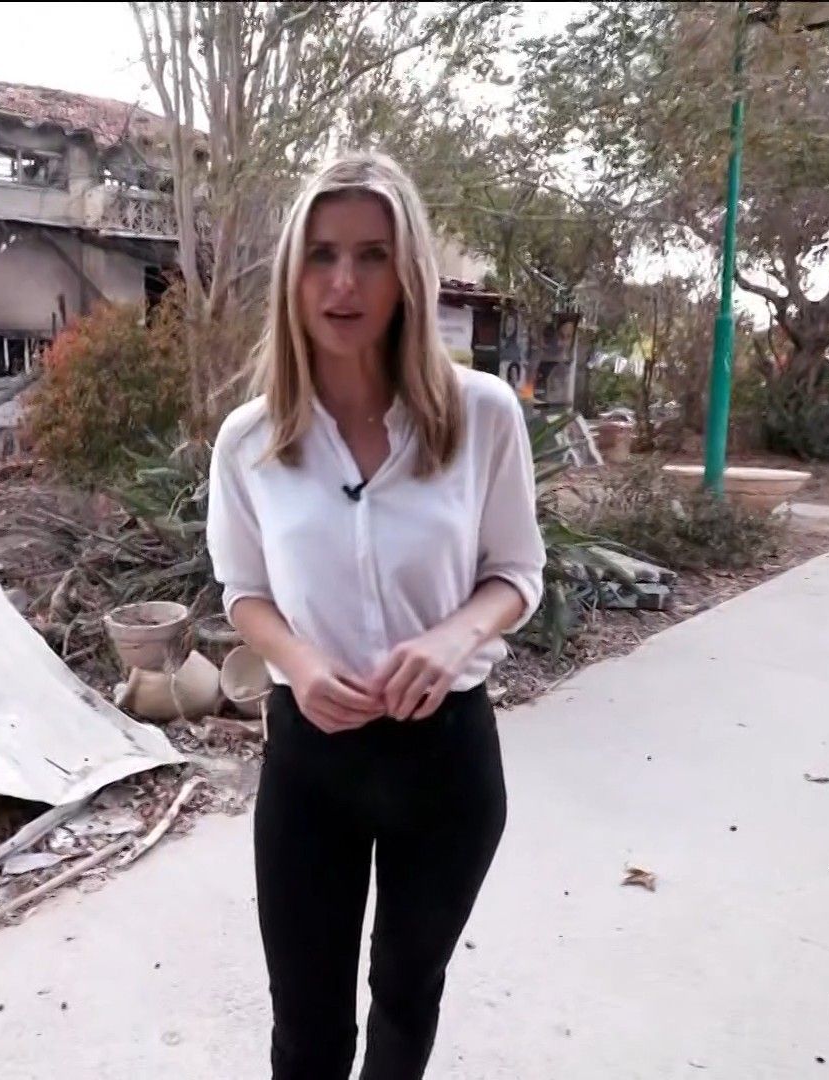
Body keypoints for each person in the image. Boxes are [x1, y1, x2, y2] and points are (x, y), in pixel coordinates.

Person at [206, 151, 546, 1080]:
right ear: (292, 274)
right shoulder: (249, 440)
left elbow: (518, 572)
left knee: (405, 998)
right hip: (311, 764)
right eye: (321, 255)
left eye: (371, 255)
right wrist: (299, 663)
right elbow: (242, 591)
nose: (344, 282)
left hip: (446, 761)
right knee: (306, 1027)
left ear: (410, 274)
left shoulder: (482, 416)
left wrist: (454, 636)